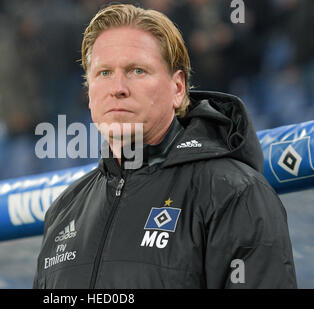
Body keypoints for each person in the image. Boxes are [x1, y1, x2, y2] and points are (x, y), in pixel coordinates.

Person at [33, 4, 297, 288]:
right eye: (104, 73)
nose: (118, 87)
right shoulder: (64, 210)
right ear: (89, 92)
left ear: (178, 88)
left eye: (137, 70)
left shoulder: (235, 194)